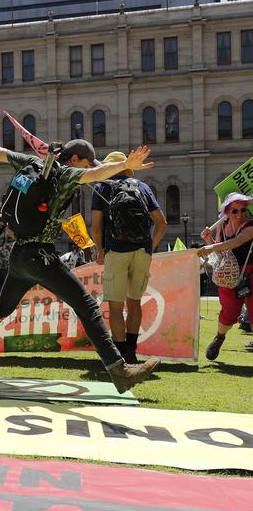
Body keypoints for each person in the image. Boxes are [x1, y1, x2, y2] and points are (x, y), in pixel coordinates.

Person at [0, 131, 160, 394]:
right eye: (85, 163)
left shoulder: (33, 166)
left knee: (1, 308)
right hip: (41, 257)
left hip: (20, 256)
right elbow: (96, 174)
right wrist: (125, 165)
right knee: (87, 307)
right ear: (74, 159)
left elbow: (1, 154)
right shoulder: (65, 175)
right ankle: (120, 371)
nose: (87, 170)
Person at [90, 151, 167, 364]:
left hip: (116, 250)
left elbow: (96, 226)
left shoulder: (102, 187)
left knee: (115, 306)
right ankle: (132, 352)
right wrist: (150, 246)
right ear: (127, 167)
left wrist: (99, 249)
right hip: (142, 250)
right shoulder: (142, 187)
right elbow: (161, 223)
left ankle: (120, 354)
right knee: (135, 303)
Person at [198, 192, 253, 361]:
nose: (240, 214)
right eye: (235, 211)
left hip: (250, 273)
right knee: (229, 313)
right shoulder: (222, 227)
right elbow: (219, 256)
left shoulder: (250, 225)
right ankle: (219, 338)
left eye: (243, 210)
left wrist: (212, 246)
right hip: (228, 276)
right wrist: (210, 241)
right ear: (227, 212)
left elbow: (238, 241)